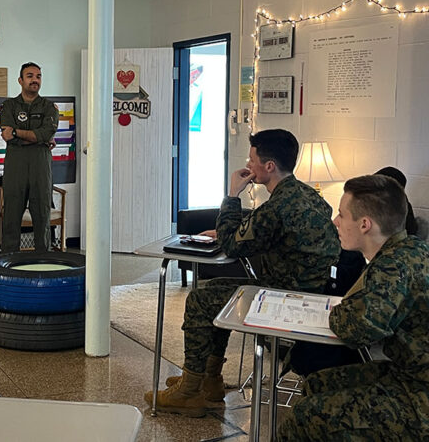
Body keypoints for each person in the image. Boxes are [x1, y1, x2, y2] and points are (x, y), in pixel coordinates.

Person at [144, 129, 340, 417]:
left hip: (282, 300)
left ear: (269, 166)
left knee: (199, 300)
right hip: (310, 293)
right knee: (217, 290)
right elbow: (259, 233)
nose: (248, 166)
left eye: (252, 160)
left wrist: (232, 195)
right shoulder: (311, 198)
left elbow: (233, 246)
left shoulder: (278, 207)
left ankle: (189, 392)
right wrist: (232, 231)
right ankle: (208, 381)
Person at [277, 175, 429, 441]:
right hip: (409, 373)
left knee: (305, 417)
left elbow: (355, 329)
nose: (335, 221)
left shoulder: (392, 268)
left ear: (364, 224)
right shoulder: (412, 247)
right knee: (316, 383)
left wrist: (341, 311)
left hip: (420, 393)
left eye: (341, 215)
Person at [0, 62, 59, 253]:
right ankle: (9, 264)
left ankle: (43, 263)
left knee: (42, 217)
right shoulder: (8, 106)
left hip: (40, 166)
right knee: (11, 217)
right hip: (15, 165)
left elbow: (44, 134)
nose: (35, 80)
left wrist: (18, 133)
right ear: (20, 80)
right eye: (30, 76)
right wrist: (38, 137)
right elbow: (7, 135)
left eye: (38, 76)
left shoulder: (50, 107)